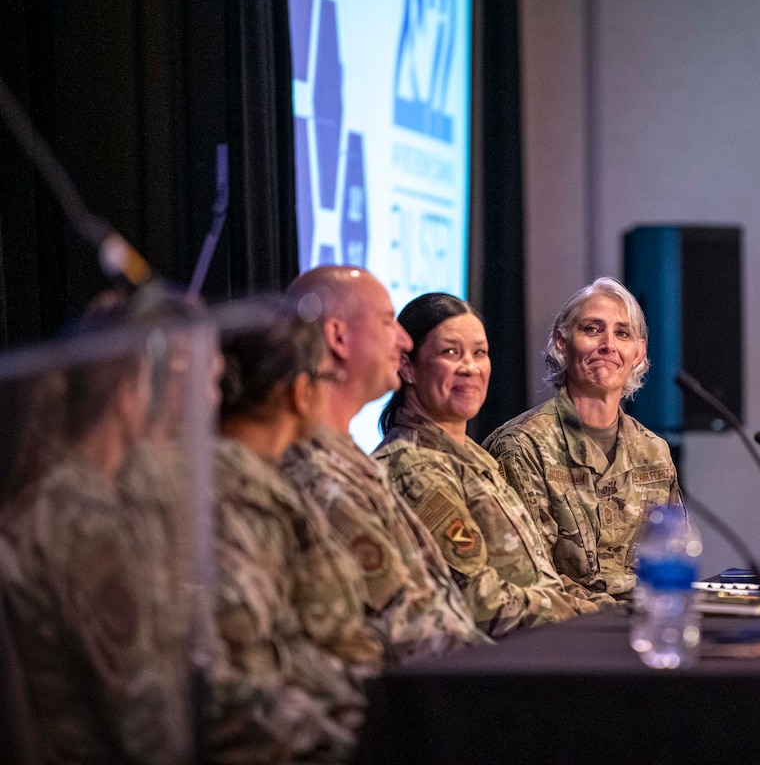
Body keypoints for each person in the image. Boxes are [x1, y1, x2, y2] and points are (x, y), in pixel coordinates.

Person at [0, 305, 191, 764]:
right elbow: (144, 721)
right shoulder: (85, 525)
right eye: (159, 382)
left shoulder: (68, 497)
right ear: (127, 394)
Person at [374, 294, 613, 638]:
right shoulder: (417, 468)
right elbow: (479, 603)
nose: (470, 368)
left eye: (479, 353)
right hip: (498, 668)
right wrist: (588, 616)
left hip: (540, 644)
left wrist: (609, 610)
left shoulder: (472, 456)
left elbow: (535, 575)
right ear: (408, 367)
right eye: (450, 353)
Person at [281, 266, 488, 663]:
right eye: (386, 321)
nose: (404, 339)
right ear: (338, 337)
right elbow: (410, 630)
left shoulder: (349, 459)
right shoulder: (317, 471)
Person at [207, 300, 381, 762]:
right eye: (325, 379)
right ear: (301, 393)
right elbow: (252, 671)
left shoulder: (270, 480)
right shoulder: (228, 495)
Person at [484, 277, 682, 600]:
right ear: (562, 342)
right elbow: (532, 583)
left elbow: (673, 560)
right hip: (564, 636)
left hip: (644, 629)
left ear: (638, 352)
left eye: (622, 333)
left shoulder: (654, 452)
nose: (608, 345)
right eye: (592, 329)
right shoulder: (522, 447)